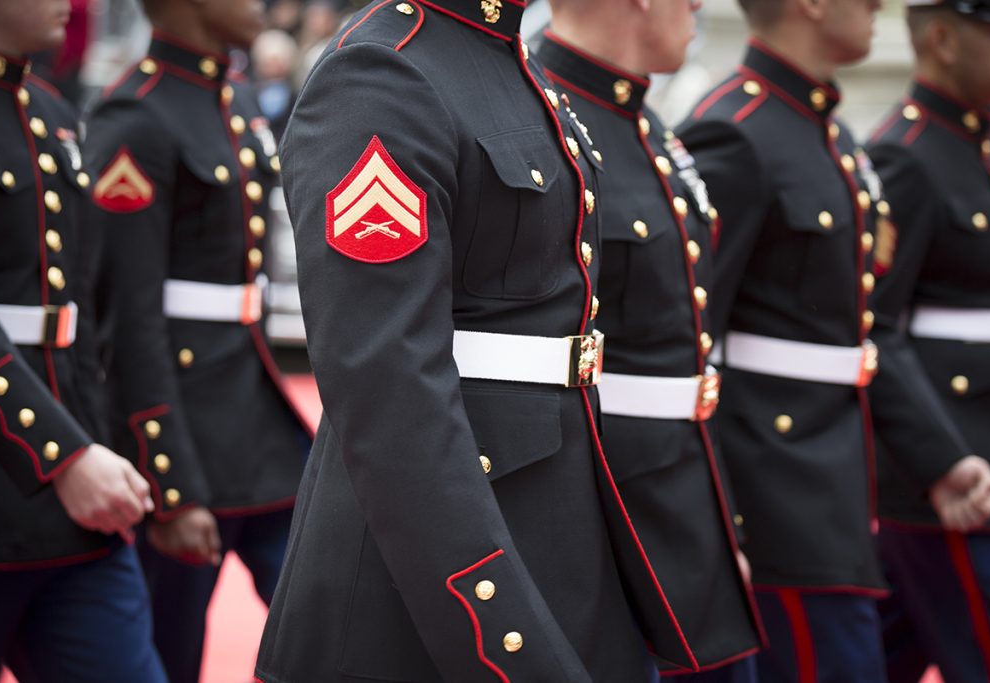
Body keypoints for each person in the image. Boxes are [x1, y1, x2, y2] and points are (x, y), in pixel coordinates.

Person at [256, 0, 689, 680]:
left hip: (557, 532)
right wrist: (503, 634)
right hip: (430, 586)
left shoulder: (508, 60)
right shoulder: (383, 74)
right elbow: (386, 390)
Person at [84, 0, 313, 680]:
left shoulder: (232, 99)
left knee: (326, 628)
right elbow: (127, 319)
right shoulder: (135, 117)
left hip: (260, 422)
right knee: (168, 653)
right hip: (184, 435)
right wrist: (170, 484)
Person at [537, 1, 764, 680]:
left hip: (685, 507)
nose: (699, 4)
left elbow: (687, 352)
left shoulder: (649, 124)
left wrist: (724, 529)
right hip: (602, 522)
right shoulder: (541, 113)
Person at [675, 1, 893, 679]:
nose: (879, 7)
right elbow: (693, 334)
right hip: (776, 489)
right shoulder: (732, 131)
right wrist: (723, 514)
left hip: (833, 477)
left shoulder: (826, 131)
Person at [0, 0, 165, 680]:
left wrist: (93, 445)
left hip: (70, 513)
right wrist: (62, 454)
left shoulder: (54, 116)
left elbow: (75, 313)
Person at [866, 1, 990, 679]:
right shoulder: (907, 154)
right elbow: (873, 323)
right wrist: (940, 458)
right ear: (945, 38)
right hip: (958, 471)